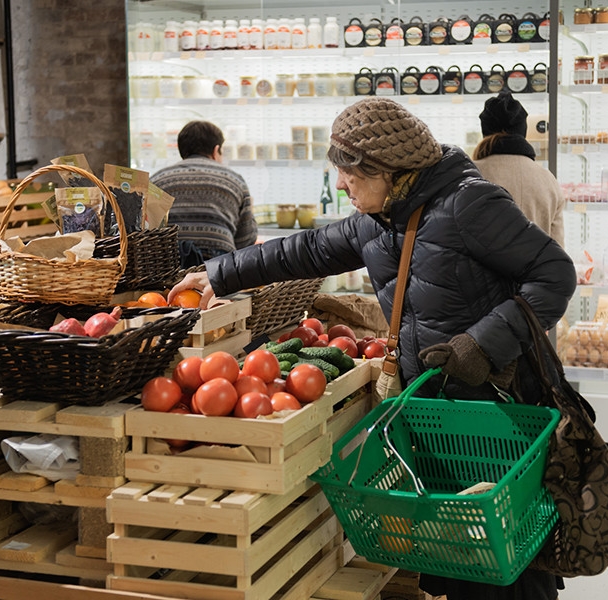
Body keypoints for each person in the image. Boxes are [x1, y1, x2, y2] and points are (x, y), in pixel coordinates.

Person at [169, 97, 576, 600]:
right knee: (458, 548)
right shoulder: (380, 218)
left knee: (506, 554)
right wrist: (219, 272)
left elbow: (555, 273)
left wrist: (481, 343)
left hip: (493, 406)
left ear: (383, 169)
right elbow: (308, 249)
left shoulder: (469, 204)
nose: (340, 184)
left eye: (348, 174)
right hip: (435, 408)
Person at [150, 120, 258, 265]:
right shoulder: (234, 180)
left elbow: (147, 232)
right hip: (220, 264)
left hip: (169, 263)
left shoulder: (157, 180)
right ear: (216, 150)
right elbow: (246, 240)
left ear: (182, 151)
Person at [473, 90, 566, 247]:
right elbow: (558, 250)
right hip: (536, 271)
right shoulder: (548, 179)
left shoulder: (471, 174)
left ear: (485, 130)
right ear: (522, 130)